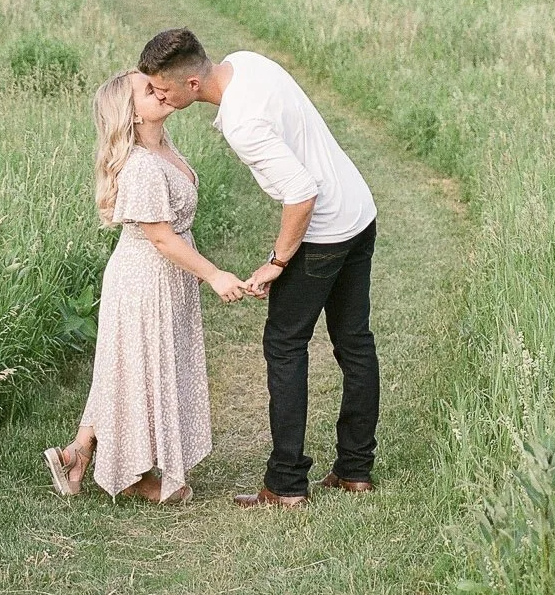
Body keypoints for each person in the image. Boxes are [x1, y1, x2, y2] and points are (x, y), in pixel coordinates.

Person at [138, 28, 378, 509]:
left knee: (285, 345)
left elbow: (301, 193)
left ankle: (287, 483)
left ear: (190, 85)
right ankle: (355, 470)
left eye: (162, 89)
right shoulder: (246, 62)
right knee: (354, 341)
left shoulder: (243, 123)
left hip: (325, 229)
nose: (156, 96)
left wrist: (278, 262)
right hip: (360, 210)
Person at [44, 70, 253, 505]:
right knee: (138, 371)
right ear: (131, 113)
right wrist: (213, 274)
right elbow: (160, 237)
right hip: (145, 278)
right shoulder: (139, 164)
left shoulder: (163, 147)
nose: (160, 90)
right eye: (148, 89)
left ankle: (78, 453)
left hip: (162, 274)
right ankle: (134, 474)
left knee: (125, 367)